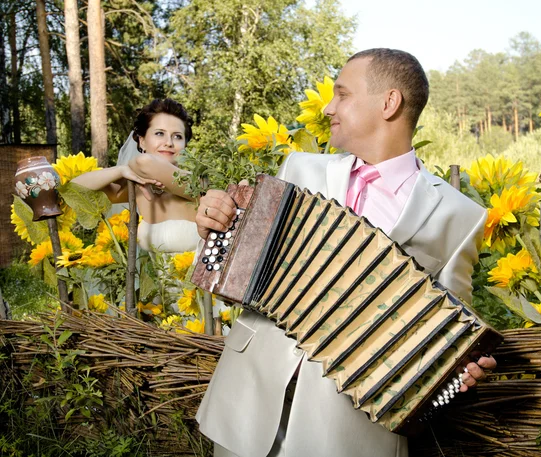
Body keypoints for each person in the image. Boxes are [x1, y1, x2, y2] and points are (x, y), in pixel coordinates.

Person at [194, 49, 497, 457]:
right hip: (249, 400)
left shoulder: (459, 216)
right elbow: (243, 265)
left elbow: (449, 332)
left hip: (349, 432)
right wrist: (216, 221)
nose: (329, 106)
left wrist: (459, 368)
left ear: (389, 103)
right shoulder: (298, 168)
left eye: (342, 94)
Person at [71, 98, 200, 254]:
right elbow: (75, 188)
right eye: (160, 133)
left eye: (178, 136)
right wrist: (121, 170)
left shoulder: (196, 183)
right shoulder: (138, 189)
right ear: (142, 141)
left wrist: (135, 167)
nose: (169, 143)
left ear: (185, 145)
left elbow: (145, 162)